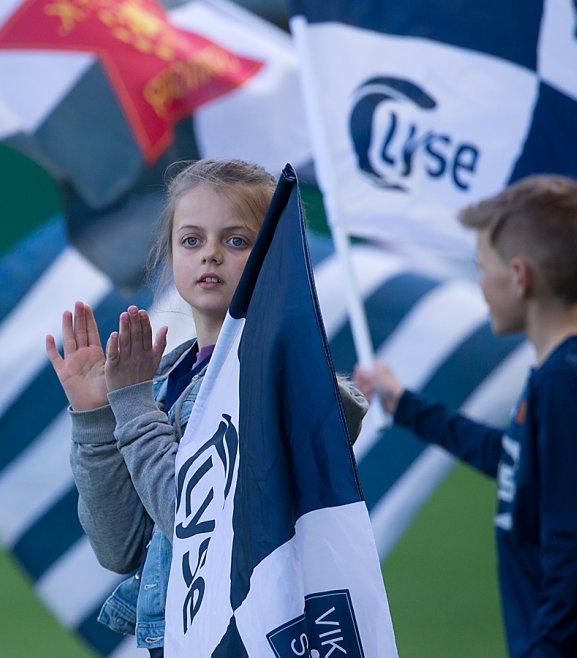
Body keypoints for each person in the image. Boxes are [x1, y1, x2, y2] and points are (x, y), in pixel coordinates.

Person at [45, 159, 369, 656]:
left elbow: (196, 529)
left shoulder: (270, 384)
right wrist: (96, 418)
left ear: (274, 258)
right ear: (170, 252)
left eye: (236, 240)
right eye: (191, 240)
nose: (210, 254)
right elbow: (118, 546)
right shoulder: (169, 374)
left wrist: (132, 404)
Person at [354, 175, 577, 657]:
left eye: (482, 267)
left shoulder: (562, 383)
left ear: (519, 276)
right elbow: (516, 460)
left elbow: (571, 544)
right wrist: (404, 403)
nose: (479, 283)